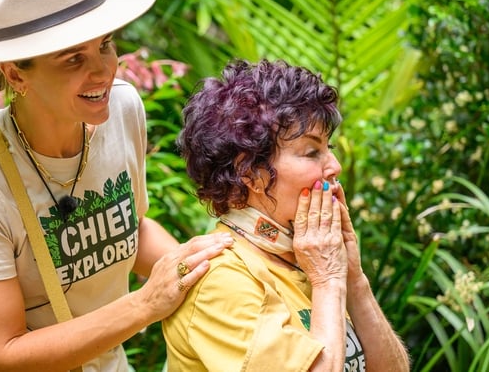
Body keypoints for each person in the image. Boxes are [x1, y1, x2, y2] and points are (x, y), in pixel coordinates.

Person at [0, 0, 233, 372]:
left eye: (106, 45)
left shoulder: (122, 109)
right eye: (73, 58)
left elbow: (132, 228)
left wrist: (204, 267)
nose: (103, 71)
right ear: (16, 75)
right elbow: (5, 352)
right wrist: (145, 305)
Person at [163, 59, 410, 371]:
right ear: (250, 174)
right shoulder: (221, 281)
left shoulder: (307, 254)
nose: (335, 166)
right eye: (311, 152)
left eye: (328, 146)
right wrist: (328, 280)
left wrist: (354, 280)